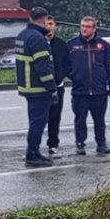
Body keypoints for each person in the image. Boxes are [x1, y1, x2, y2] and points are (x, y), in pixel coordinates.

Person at [15, 7, 58, 167]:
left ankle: (32, 151)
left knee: (34, 121)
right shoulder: (37, 39)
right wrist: (51, 87)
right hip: (38, 88)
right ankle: (32, 154)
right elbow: (43, 67)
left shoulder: (23, 35)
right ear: (43, 20)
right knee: (38, 123)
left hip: (26, 87)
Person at [67, 16, 110, 155]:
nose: (84, 29)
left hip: (99, 90)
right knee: (80, 120)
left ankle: (101, 143)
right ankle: (80, 144)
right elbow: (65, 66)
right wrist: (74, 76)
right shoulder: (71, 45)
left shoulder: (103, 45)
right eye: (82, 26)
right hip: (79, 90)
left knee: (99, 120)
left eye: (87, 26)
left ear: (94, 29)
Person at [44, 15, 70, 156]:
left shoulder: (61, 44)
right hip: (41, 88)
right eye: (45, 24)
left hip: (57, 86)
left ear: (55, 26)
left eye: (51, 23)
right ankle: (34, 146)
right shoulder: (38, 43)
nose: (48, 27)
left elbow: (67, 64)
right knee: (40, 118)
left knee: (55, 117)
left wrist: (60, 77)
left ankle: (53, 144)